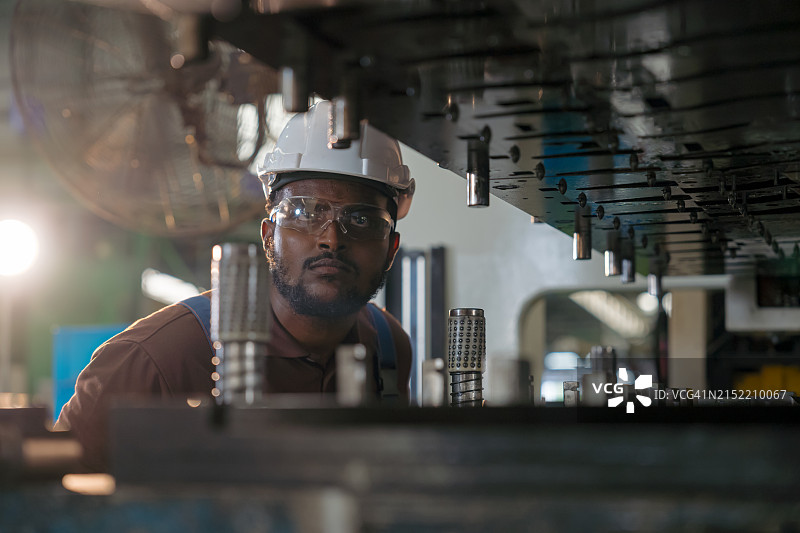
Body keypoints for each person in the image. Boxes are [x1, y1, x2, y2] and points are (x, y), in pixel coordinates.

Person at [55, 100, 415, 472]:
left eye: (362, 219)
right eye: (305, 212)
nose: (331, 239)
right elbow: (47, 503)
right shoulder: (155, 360)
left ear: (390, 249)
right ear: (269, 236)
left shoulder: (387, 347)